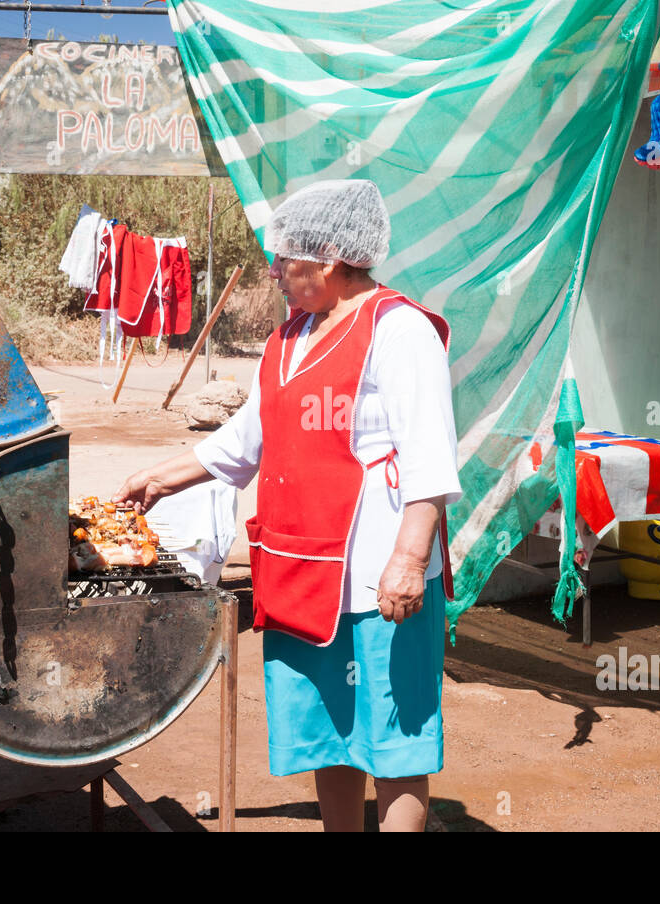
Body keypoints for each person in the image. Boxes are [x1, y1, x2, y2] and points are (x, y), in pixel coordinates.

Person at [113, 179, 460, 832]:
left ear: (330, 256)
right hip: (301, 573)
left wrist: (411, 557)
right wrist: (159, 477)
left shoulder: (400, 330)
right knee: (329, 730)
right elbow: (247, 438)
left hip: (379, 575)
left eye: (287, 259)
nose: (276, 271)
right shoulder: (287, 340)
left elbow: (430, 458)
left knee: (394, 737)